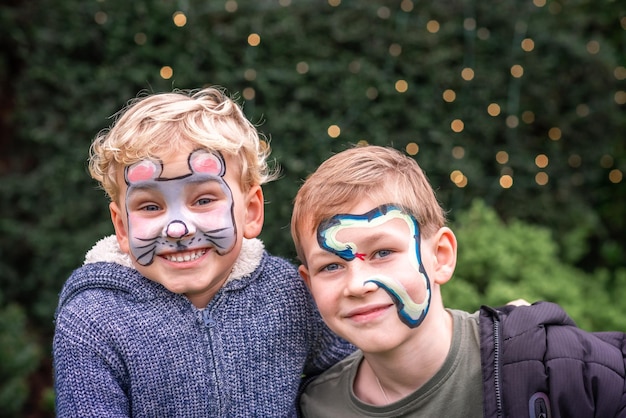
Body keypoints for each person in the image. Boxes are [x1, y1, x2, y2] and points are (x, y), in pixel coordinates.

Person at [53, 87, 353, 417]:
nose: (178, 229)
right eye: (150, 206)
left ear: (251, 212)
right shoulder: (93, 319)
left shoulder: (286, 294)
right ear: (121, 228)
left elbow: (353, 372)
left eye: (204, 200)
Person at [290, 145, 626, 417]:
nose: (357, 284)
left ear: (441, 256)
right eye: (332, 267)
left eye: (382, 253)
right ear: (308, 284)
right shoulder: (315, 406)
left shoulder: (547, 365)